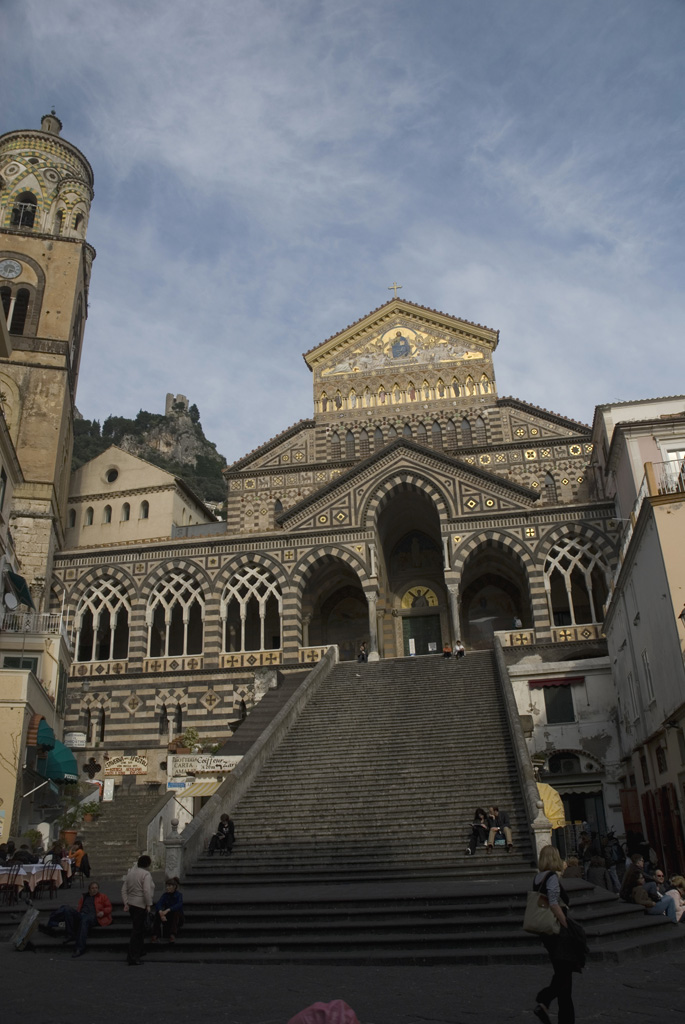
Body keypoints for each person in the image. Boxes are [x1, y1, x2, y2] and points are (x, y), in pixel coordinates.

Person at [532, 845, 587, 1024]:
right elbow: (554, 903)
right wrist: (566, 924)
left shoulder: (538, 877)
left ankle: (548, 1005)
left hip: (547, 931)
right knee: (564, 975)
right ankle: (544, 999)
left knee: (562, 973)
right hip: (558, 931)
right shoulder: (551, 877)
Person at [42, 880, 112, 958]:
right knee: (66, 909)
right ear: (89, 890)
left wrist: (103, 912)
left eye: (96, 888)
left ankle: (80, 948)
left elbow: (109, 907)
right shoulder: (84, 897)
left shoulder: (103, 897)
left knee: (84, 920)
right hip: (81, 914)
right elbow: (79, 908)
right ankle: (70, 935)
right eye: (92, 888)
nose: (94, 890)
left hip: (93, 917)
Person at [122, 854, 155, 965]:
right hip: (140, 904)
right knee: (137, 931)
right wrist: (148, 904)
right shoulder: (146, 874)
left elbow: (124, 889)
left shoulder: (130, 873)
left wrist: (126, 902)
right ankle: (133, 956)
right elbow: (146, 890)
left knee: (138, 929)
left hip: (132, 904)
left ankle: (140, 951)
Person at [151, 877, 184, 942]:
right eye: (166, 886)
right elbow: (159, 903)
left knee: (176, 912)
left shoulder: (179, 895)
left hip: (177, 918)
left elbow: (178, 905)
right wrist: (161, 912)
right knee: (158, 913)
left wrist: (168, 910)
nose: (167, 888)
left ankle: (172, 934)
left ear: (174, 887)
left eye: (169, 886)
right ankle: (155, 934)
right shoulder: (165, 895)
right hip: (167, 916)